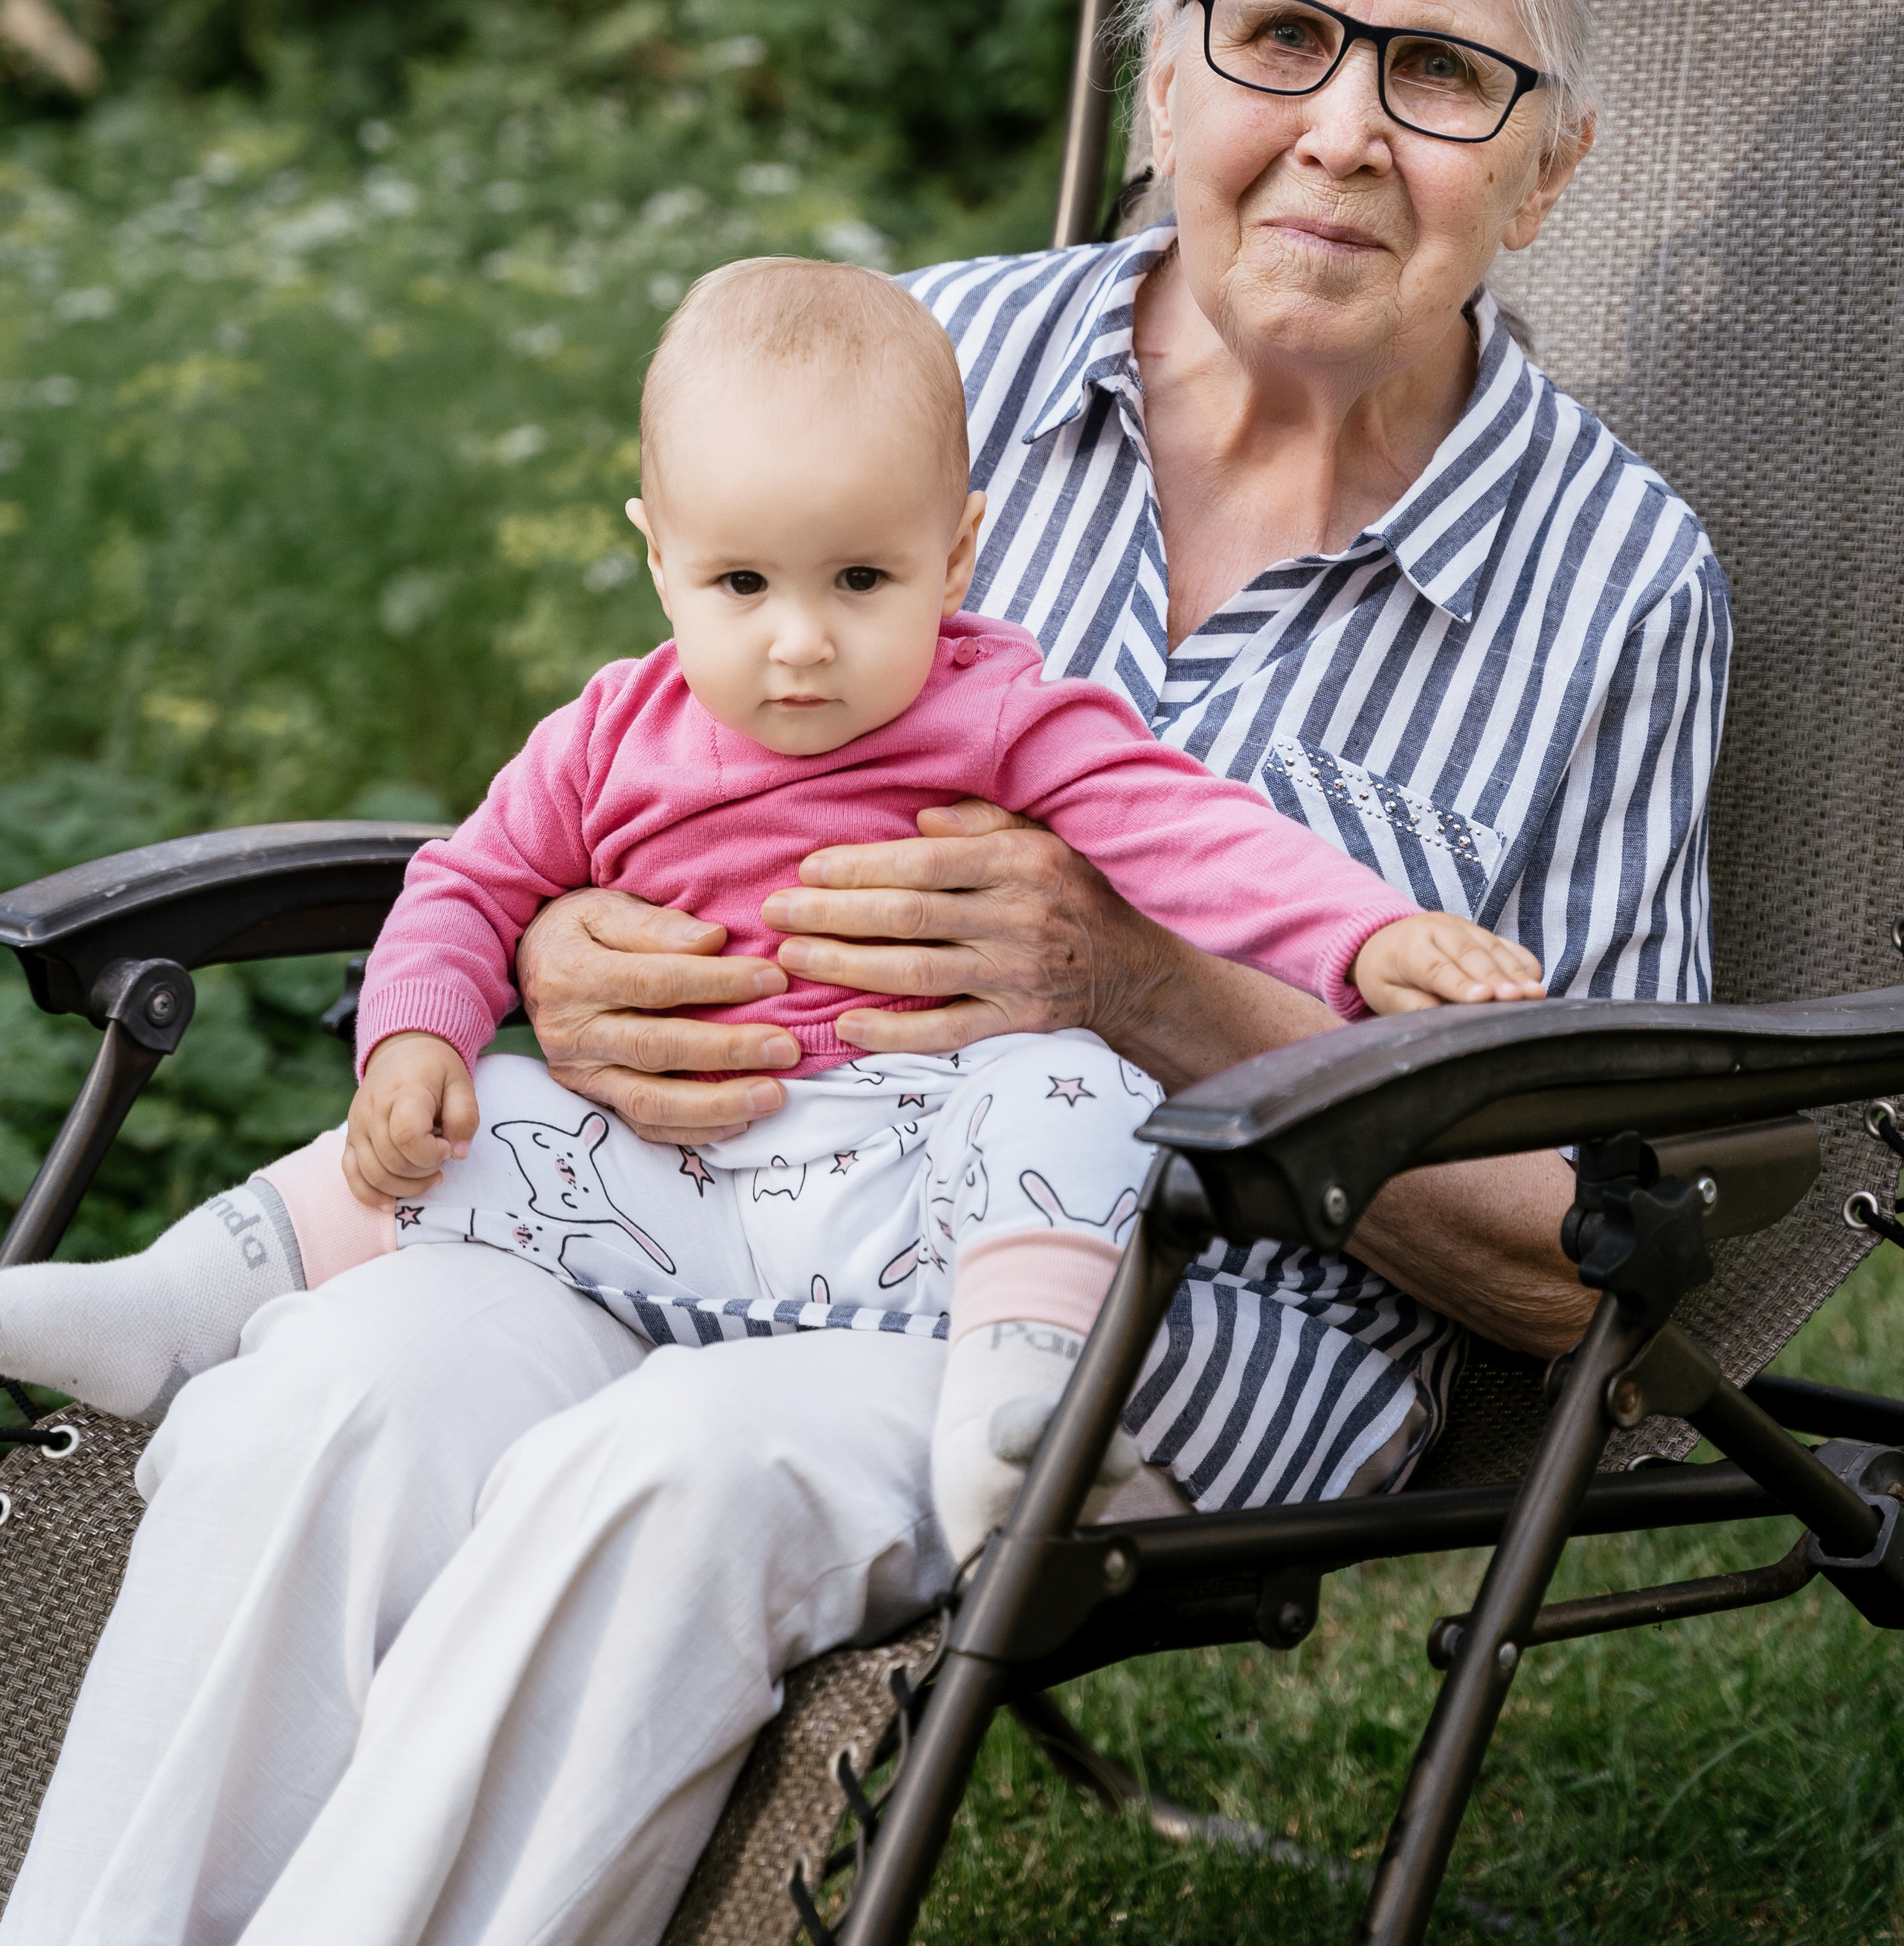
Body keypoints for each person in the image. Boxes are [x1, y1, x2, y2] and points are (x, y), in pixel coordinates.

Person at [2, 0, 1729, 1946]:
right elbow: (625, 772)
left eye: (1443, 75)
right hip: (669, 1213)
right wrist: (560, 965)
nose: (1342, 131)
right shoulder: (924, 355)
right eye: (1282, 36)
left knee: (676, 1477)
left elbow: (1592, 1247)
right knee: (331, 1395)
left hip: (1120, 1332)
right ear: (1163, 81)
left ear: (1549, 169)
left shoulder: (1614, 581)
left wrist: (1146, 989)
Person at [0, 260, 1540, 1565]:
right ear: (657, 558)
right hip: (676, 1179)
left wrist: (1365, 939)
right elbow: (464, 886)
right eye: (742, 584)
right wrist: (415, 1039)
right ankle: (175, 1305)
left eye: (860, 580)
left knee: (1068, 1087)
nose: (799, 643)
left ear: (956, 556)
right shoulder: (608, 735)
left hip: (924, 1187)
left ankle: (1015, 1401)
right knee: (485, 1122)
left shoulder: (999, 709)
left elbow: (1197, 836)